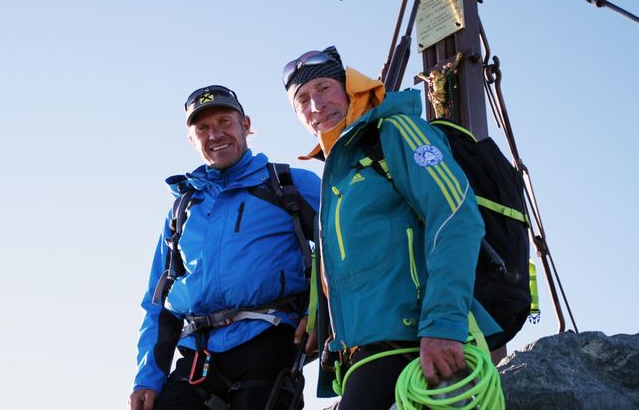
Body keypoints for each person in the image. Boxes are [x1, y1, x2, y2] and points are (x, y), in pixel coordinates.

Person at [281, 47, 501, 409]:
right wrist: (318, 315)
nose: (315, 105)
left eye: (323, 88)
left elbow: (455, 216)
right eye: (302, 100)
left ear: (349, 87)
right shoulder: (339, 173)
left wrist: (443, 325)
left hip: (410, 341)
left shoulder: (395, 130)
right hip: (361, 352)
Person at [129, 85, 321, 410]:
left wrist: (318, 316)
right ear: (192, 139)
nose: (214, 134)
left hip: (268, 345)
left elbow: (343, 250)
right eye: (202, 128)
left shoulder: (288, 185)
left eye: (224, 122)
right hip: (197, 357)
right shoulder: (183, 208)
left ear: (245, 125)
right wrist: (148, 377)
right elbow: (158, 301)